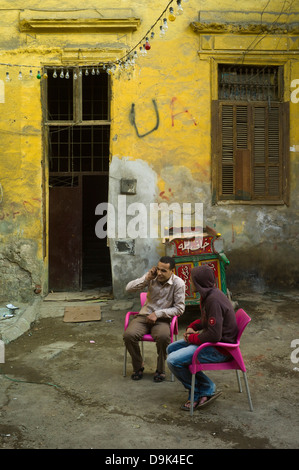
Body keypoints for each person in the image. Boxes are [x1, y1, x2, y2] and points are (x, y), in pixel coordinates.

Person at [167, 264, 238, 411]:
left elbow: (214, 335)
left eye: (192, 280)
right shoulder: (209, 295)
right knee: (171, 348)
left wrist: (192, 338)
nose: (189, 283)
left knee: (173, 360)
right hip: (214, 343)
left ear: (199, 283)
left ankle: (199, 392)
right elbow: (207, 321)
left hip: (220, 349)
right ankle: (206, 386)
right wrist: (192, 326)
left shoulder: (213, 300)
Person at [124, 256, 185, 382]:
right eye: (158, 269)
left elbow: (179, 308)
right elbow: (128, 289)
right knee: (128, 335)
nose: (159, 273)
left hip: (162, 319)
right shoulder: (152, 277)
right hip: (144, 315)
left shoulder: (178, 283)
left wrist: (158, 313)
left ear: (172, 271)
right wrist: (146, 278)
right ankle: (138, 365)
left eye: (163, 271)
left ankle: (160, 370)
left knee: (163, 337)